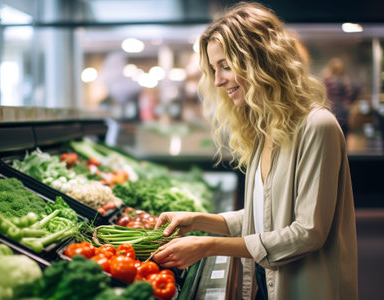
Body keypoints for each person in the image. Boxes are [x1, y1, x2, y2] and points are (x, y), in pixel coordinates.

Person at [152, 2, 358, 300]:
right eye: (213, 69)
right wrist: (199, 220)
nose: (218, 80)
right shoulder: (265, 129)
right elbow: (268, 215)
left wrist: (208, 245)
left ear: (259, 61)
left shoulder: (317, 127)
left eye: (225, 65)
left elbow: (307, 232)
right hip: (266, 281)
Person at [323, 57, 355, 137]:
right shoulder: (329, 80)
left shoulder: (343, 80)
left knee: (339, 132)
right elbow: (325, 95)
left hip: (338, 109)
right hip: (335, 109)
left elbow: (348, 95)